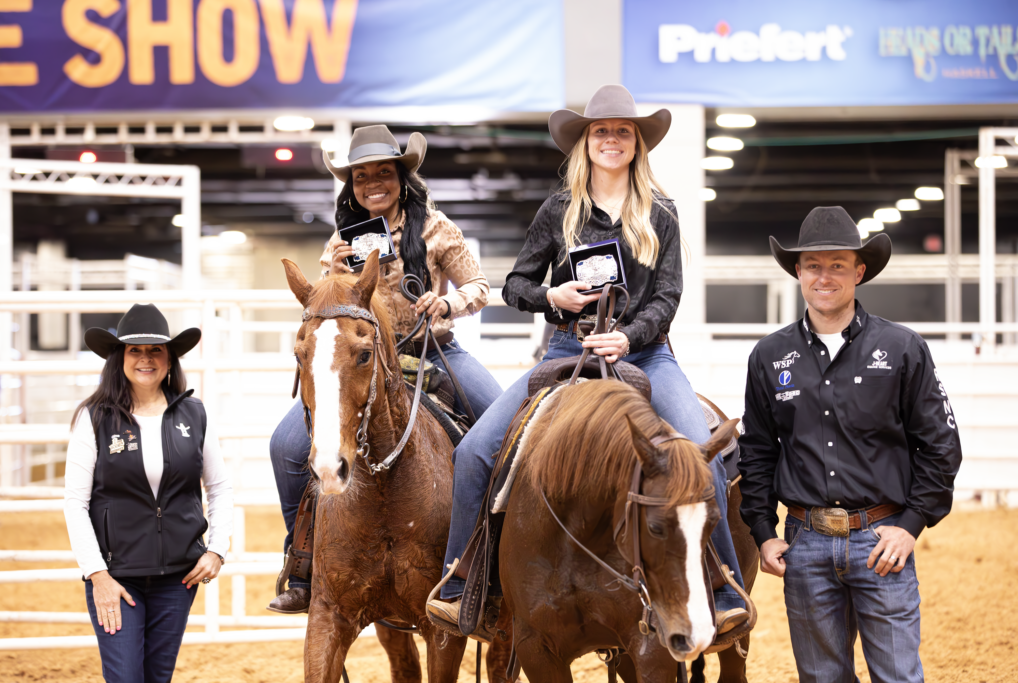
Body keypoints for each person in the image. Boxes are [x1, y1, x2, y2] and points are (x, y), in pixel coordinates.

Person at [426, 84, 748, 639]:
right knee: (475, 451)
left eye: (623, 131)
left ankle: (721, 586)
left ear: (637, 143)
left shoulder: (661, 213)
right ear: (586, 141)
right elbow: (516, 285)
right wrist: (553, 296)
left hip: (647, 353)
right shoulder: (558, 210)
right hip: (567, 351)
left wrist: (628, 337)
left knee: (700, 454)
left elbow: (667, 296)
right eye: (602, 131)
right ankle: (463, 581)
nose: (612, 139)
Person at [268, 125, 503, 613]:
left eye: (383, 173)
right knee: (286, 446)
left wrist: (447, 302)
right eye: (361, 177)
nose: (373, 183)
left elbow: (479, 286)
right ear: (351, 185)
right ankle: (303, 560)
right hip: (362, 364)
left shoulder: (436, 228)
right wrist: (332, 274)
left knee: (502, 428)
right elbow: (325, 313)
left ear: (401, 177)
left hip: (434, 352)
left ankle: (497, 561)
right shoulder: (341, 239)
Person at [738, 207, 963, 683]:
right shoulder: (769, 356)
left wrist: (910, 526)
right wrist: (762, 530)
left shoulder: (902, 348)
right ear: (798, 272)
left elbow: (941, 444)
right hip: (804, 543)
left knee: (898, 676)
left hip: (881, 540)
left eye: (837, 265)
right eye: (813, 265)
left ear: (859, 272)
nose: (825, 277)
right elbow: (757, 450)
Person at [64, 304, 233, 683]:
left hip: (178, 577)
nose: (146, 358)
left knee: (157, 678)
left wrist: (217, 549)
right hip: (117, 577)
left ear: (169, 358)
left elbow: (219, 486)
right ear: (119, 358)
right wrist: (98, 575)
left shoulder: (194, 415)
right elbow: (75, 503)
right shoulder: (95, 417)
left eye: (156, 349)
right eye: (135, 350)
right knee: (125, 677)